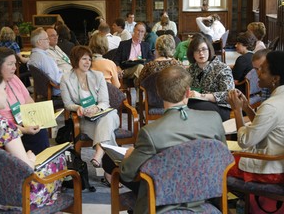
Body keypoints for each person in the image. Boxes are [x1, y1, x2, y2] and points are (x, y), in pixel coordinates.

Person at [102, 65, 227, 213]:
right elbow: (222, 159)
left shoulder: (150, 132)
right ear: (188, 92)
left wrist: (129, 156)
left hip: (164, 202)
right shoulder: (213, 120)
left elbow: (127, 174)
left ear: (159, 94)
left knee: (112, 161)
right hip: (206, 197)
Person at [0, 70, 66, 209]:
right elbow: (27, 168)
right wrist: (30, 158)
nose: (7, 94)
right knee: (59, 160)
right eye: (4, 89)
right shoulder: (0, 125)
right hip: (14, 196)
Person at [227, 50, 284, 184]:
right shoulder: (277, 100)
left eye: (262, 71)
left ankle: (228, 203)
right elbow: (264, 126)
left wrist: (237, 110)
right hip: (278, 162)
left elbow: (244, 141)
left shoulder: (271, 105)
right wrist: (247, 107)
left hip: (271, 168)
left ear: (275, 78)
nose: (257, 74)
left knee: (217, 165)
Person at [60, 45, 120, 168]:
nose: (88, 62)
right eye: (84, 59)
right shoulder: (66, 79)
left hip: (106, 113)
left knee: (107, 119)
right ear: (75, 60)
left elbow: (105, 101)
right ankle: (112, 174)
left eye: (89, 59)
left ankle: (98, 155)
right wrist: (77, 108)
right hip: (85, 118)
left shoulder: (97, 76)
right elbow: (67, 104)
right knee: (107, 136)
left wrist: (97, 108)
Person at [0, 47, 49, 154]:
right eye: (10, 64)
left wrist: (37, 116)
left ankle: (40, 163)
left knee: (41, 130)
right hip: (8, 131)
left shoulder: (14, 79)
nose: (14, 68)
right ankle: (36, 165)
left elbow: (28, 99)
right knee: (40, 136)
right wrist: (23, 129)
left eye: (15, 64)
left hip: (25, 122)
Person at [187, 33, 234, 121]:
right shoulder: (191, 69)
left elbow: (228, 95)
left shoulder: (222, 68)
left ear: (209, 50)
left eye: (204, 49)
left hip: (220, 107)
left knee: (190, 107)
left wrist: (202, 96)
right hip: (197, 103)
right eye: (197, 50)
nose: (201, 53)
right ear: (192, 53)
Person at [114, 22, 153, 88]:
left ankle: (139, 97)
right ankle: (144, 95)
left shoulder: (146, 45)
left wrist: (144, 61)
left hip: (140, 70)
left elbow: (151, 59)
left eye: (142, 31)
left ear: (144, 34)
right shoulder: (123, 44)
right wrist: (118, 67)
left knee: (139, 72)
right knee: (140, 67)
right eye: (138, 30)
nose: (140, 33)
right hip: (126, 70)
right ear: (134, 30)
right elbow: (116, 59)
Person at [27, 28, 62, 96]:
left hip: (46, 89)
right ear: (39, 42)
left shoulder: (34, 55)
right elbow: (56, 80)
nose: (49, 41)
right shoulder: (43, 58)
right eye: (46, 39)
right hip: (57, 89)